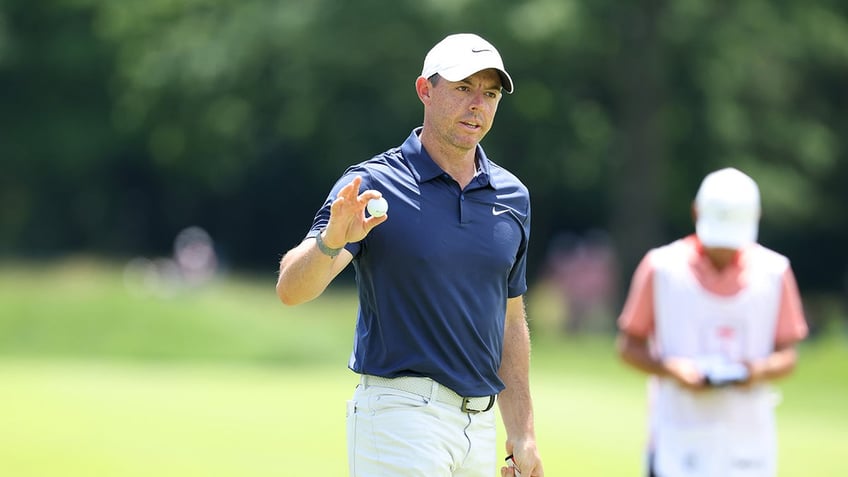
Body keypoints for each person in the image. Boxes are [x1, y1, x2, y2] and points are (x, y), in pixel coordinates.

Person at [276, 33, 543, 477]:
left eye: (490, 93)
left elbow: (511, 321)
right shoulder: (373, 183)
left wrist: (523, 431)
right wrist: (332, 241)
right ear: (425, 90)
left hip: (478, 426)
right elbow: (291, 290)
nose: (478, 104)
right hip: (399, 414)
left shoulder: (512, 197)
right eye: (463, 88)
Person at [615, 167, 809, 477]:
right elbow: (628, 346)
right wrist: (671, 368)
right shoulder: (661, 266)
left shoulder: (775, 271)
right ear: (696, 211)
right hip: (676, 437)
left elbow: (788, 355)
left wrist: (755, 371)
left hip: (749, 441)